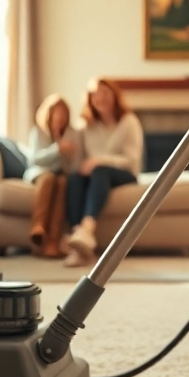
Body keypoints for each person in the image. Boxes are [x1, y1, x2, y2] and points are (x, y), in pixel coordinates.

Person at [63, 78, 143, 267]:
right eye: (95, 94)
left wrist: (100, 161)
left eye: (105, 93)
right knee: (74, 178)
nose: (101, 98)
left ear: (115, 97)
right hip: (95, 175)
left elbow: (132, 159)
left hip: (125, 174)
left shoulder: (128, 122)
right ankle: (78, 240)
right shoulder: (85, 126)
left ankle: (87, 228)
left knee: (100, 171)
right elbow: (78, 163)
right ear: (90, 99)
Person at [24, 93, 80, 258]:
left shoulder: (72, 134)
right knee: (49, 178)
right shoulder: (38, 132)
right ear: (48, 113)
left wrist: (67, 153)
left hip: (61, 174)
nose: (60, 117)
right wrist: (57, 149)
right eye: (57, 112)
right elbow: (35, 159)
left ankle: (53, 242)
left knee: (63, 183)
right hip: (39, 173)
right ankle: (38, 225)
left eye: (63, 113)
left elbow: (71, 167)